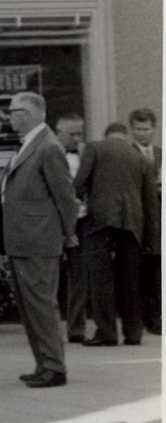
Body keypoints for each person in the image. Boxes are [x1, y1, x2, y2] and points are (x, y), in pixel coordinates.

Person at [0, 91, 77, 388]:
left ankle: (55, 368)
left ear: (28, 113)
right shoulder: (29, 144)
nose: (9, 117)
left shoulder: (48, 147)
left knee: (41, 306)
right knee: (31, 307)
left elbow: (66, 198)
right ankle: (43, 363)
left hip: (39, 241)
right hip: (23, 240)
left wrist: (67, 234)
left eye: (13, 111)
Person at [74, 121, 153, 347]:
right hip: (132, 224)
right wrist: (151, 239)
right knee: (130, 279)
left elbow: (79, 183)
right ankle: (133, 332)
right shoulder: (141, 157)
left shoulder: (94, 148)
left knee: (100, 278)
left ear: (106, 135)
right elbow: (151, 205)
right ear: (126, 136)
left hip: (100, 221)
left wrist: (76, 204)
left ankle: (106, 332)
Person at [55, 114, 91, 342]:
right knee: (51, 275)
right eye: (72, 134)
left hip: (81, 220)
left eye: (80, 133)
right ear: (59, 133)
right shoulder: (50, 153)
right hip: (56, 221)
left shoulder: (86, 152)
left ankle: (76, 329)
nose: (77, 139)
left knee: (79, 276)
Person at [126, 107, 160, 336]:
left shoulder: (160, 154)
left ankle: (156, 315)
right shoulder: (128, 154)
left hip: (159, 217)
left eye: (146, 129)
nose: (142, 134)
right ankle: (143, 317)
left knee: (157, 268)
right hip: (139, 217)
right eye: (138, 130)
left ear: (153, 130)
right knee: (141, 269)